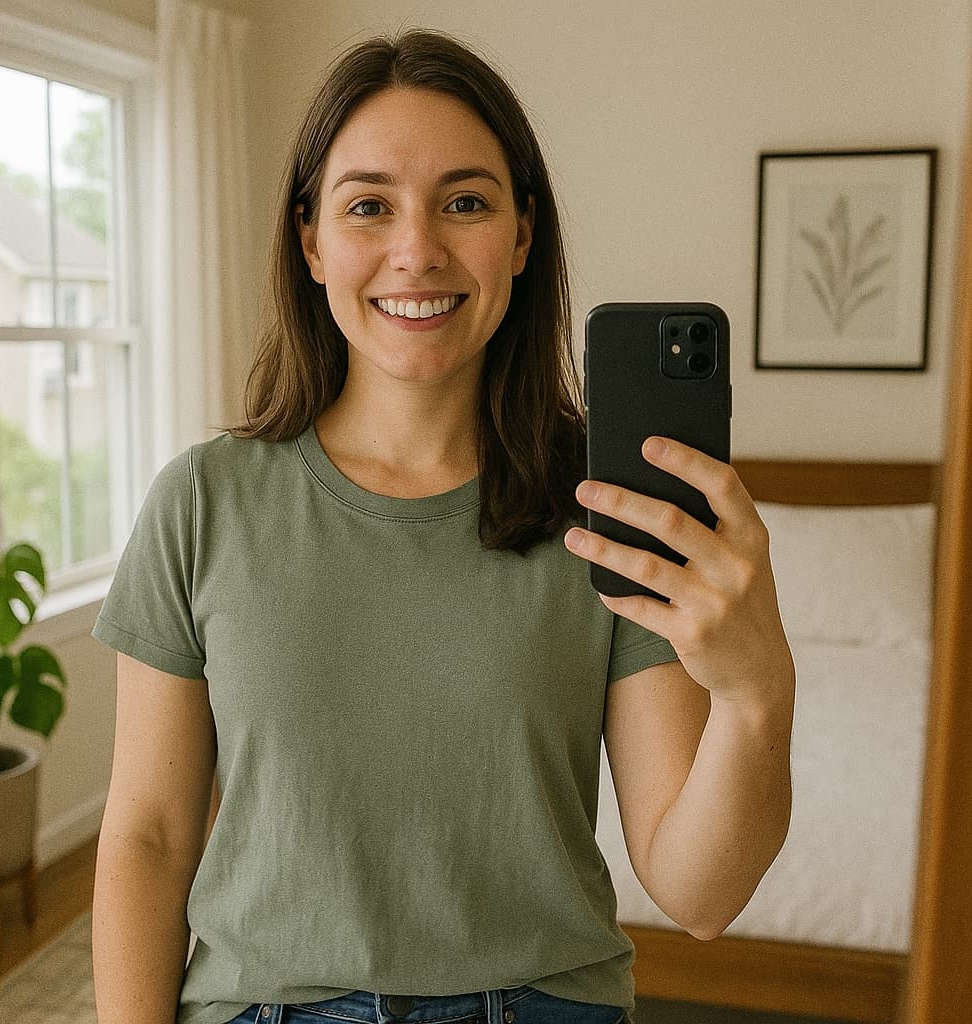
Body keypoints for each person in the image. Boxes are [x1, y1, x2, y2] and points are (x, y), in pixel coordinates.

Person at [91, 29, 795, 1024]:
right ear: (311, 239)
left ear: (519, 235)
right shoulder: (201, 502)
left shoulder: (608, 513)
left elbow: (701, 891)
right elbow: (149, 837)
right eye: (368, 205)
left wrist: (758, 696)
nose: (416, 249)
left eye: (464, 201)